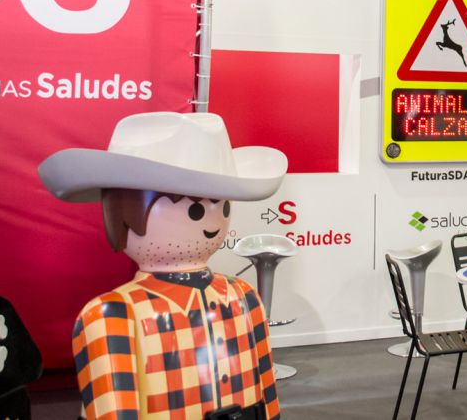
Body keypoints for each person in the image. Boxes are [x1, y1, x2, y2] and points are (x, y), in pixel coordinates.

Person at [39, 111, 288, 420]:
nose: (212, 221)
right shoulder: (113, 315)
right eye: (195, 210)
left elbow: (266, 387)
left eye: (222, 205)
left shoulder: (244, 297)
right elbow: (114, 409)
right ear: (122, 213)